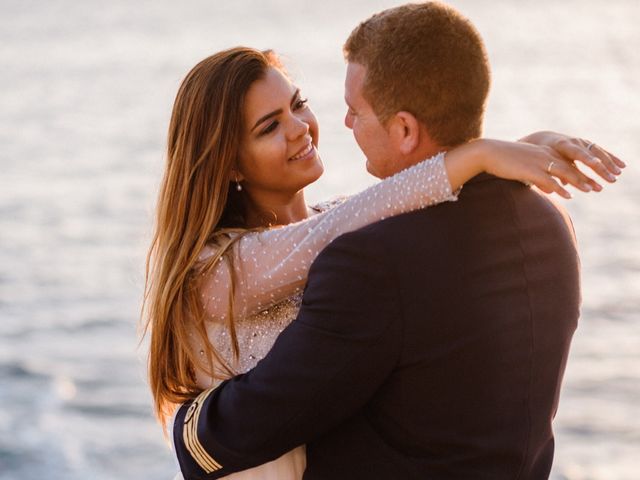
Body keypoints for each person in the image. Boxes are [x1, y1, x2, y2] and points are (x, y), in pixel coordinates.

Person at [151, 5, 623, 480]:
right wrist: (482, 152)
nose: (314, 126)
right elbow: (374, 215)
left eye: (298, 104)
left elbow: (380, 211)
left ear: (402, 128)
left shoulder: (362, 253)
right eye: (269, 126)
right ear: (229, 163)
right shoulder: (550, 222)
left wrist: (509, 149)